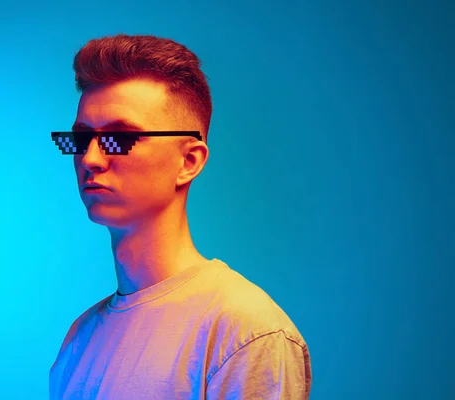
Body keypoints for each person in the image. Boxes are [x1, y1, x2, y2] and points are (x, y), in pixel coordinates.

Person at [49, 34, 312, 399]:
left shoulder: (244, 332)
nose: (91, 159)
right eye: (81, 140)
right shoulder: (81, 338)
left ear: (188, 161)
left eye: (120, 138)